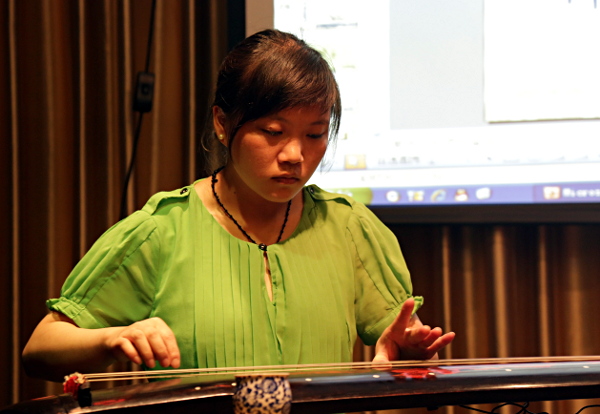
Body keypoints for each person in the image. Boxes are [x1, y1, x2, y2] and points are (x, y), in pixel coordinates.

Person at [22, 29, 454, 383]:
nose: (294, 155)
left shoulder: (349, 227)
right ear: (222, 124)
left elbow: (396, 338)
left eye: (315, 133)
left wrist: (402, 351)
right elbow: (40, 350)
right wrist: (113, 337)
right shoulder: (162, 231)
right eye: (272, 131)